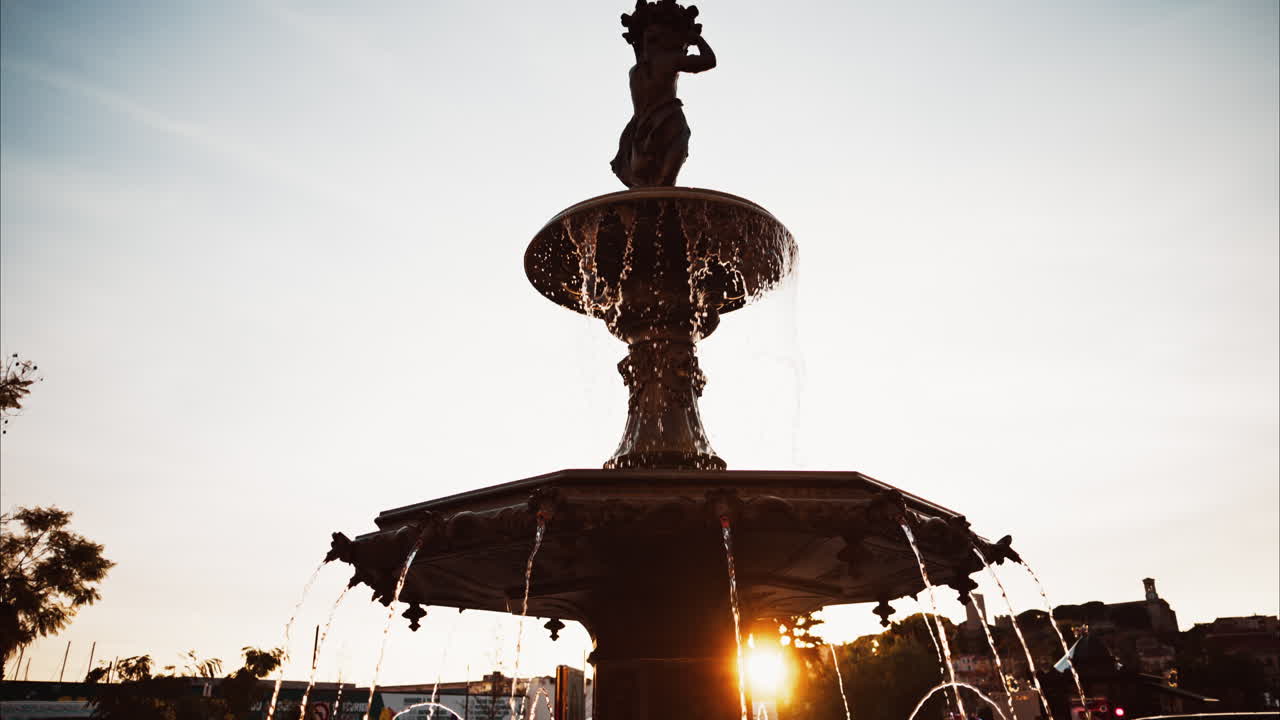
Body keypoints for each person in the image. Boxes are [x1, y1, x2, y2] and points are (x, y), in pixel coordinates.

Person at [611, 0, 716, 187]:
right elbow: (709, 60)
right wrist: (697, 40)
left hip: (639, 130)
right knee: (665, 183)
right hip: (668, 121)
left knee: (646, 186)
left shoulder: (635, 71)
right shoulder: (668, 60)